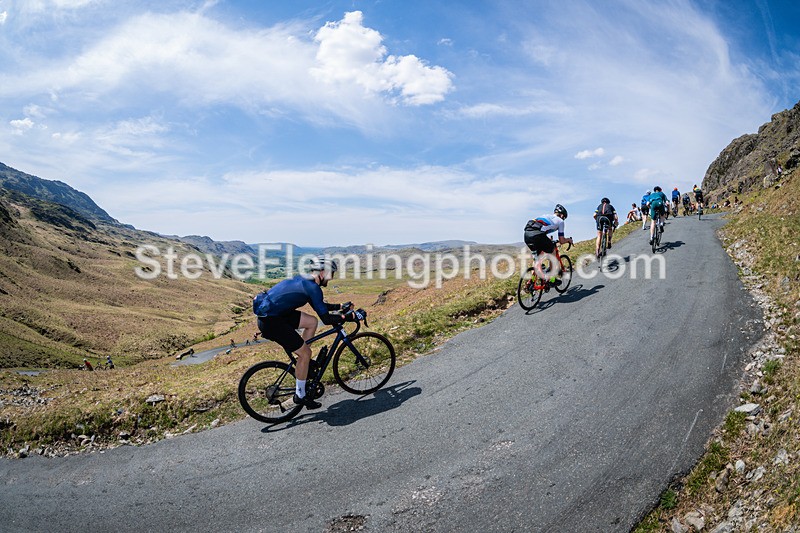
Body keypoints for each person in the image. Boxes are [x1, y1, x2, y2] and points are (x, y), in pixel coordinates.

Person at [252, 259, 348, 409]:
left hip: (276, 316)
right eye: (331, 273)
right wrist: (349, 317)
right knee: (304, 353)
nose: (332, 277)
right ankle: (300, 395)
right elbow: (326, 318)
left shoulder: (306, 281)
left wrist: (340, 307)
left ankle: (305, 363)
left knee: (311, 322)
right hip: (273, 322)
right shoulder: (313, 287)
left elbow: (320, 306)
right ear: (322, 272)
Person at [523, 204, 574, 286]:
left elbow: (541, 229)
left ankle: (531, 282)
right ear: (561, 215)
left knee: (537, 258)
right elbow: (561, 240)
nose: (563, 219)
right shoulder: (560, 221)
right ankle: (552, 279)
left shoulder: (546, 216)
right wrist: (569, 240)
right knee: (553, 252)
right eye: (564, 217)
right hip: (538, 235)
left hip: (527, 234)